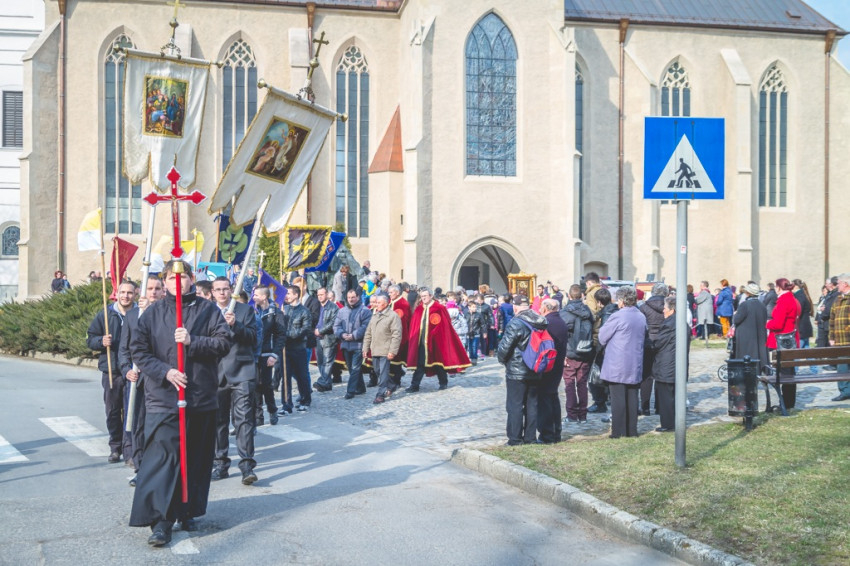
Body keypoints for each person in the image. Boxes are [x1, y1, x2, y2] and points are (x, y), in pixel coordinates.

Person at [128, 260, 231, 546]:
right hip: (163, 398)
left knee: (195, 459)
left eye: (182, 276)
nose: (177, 282)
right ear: (165, 282)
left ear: (191, 279)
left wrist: (192, 340)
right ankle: (161, 521)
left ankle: (187, 510)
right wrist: (166, 372)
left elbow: (223, 342)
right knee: (163, 459)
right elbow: (139, 351)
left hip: (200, 397)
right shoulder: (152, 314)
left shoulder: (208, 310)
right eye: (171, 278)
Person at [210, 277, 259, 485]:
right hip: (216, 374)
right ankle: (220, 464)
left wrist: (235, 325)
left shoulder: (245, 310)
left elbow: (253, 337)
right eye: (218, 289)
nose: (222, 293)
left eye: (225, 289)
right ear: (212, 292)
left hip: (241, 371)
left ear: (231, 290)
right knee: (218, 421)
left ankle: (247, 466)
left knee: (244, 420)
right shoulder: (207, 311)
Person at [119, 277, 165, 485]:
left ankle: (159, 466)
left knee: (159, 425)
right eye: (150, 288)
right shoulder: (132, 315)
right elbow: (124, 348)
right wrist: (126, 369)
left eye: (157, 288)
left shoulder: (167, 313)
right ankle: (140, 467)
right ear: (142, 291)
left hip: (160, 378)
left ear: (163, 291)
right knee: (138, 423)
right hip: (138, 379)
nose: (153, 292)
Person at [87, 280, 136, 463]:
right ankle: (115, 447)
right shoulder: (106, 315)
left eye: (129, 293)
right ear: (117, 294)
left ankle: (130, 450)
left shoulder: (139, 314)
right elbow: (90, 338)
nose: (125, 296)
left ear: (135, 294)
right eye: (122, 292)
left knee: (131, 412)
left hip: (132, 370)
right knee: (113, 411)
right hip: (112, 370)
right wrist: (101, 341)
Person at [497, 294, 547, 445]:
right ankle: (530, 438)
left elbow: (505, 348)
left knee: (515, 405)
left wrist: (503, 360)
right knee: (532, 404)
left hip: (517, 369)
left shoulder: (515, 323)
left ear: (515, 307)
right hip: (535, 367)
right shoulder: (540, 321)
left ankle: (515, 438)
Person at [598, 286, 646, 439]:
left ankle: (618, 431)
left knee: (618, 397)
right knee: (632, 396)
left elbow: (602, 336)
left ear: (621, 301)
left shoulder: (618, 316)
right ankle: (631, 430)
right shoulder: (641, 316)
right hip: (635, 360)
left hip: (617, 362)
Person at [405, 287, 471, 392]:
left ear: (431, 296)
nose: (423, 298)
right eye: (422, 296)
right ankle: (414, 385)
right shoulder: (419, 309)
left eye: (425, 296)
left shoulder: (439, 308)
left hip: (437, 342)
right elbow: (414, 326)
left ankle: (443, 383)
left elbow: (446, 326)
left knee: (439, 364)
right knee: (420, 364)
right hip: (422, 343)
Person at [560, 284, 596, 424]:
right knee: (582, 384)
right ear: (581, 296)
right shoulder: (587, 311)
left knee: (569, 384)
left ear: (569, 296)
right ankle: (583, 415)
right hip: (585, 350)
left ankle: (572, 415)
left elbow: (560, 335)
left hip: (570, 352)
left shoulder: (565, 312)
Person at [766, 277, 801, 410]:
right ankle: (789, 402)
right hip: (789, 340)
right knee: (789, 373)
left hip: (781, 341)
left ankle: (786, 403)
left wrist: (767, 323)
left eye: (776, 286)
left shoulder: (783, 300)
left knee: (786, 374)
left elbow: (778, 324)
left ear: (779, 287)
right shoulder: (792, 299)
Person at [362, 293, 403, 404]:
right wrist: (365, 348)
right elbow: (368, 333)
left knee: (383, 373)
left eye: (379, 303)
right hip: (375, 349)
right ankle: (392, 385)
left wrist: (392, 351)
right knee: (377, 371)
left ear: (385, 304)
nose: (376, 304)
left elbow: (396, 335)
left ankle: (380, 394)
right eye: (376, 302)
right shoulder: (375, 316)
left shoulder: (393, 316)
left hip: (386, 349)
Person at [253, 286, 286, 424]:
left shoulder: (276, 313)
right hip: (253, 354)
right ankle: (258, 416)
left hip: (267, 353)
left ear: (264, 297)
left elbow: (281, 335)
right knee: (255, 384)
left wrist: (274, 355)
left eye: (256, 295)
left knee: (266, 384)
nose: (253, 297)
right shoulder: (252, 311)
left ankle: (272, 410)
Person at [538, 298, 568, 443]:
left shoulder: (547, 323)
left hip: (548, 365)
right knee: (553, 397)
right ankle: (556, 432)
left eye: (541, 307)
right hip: (557, 365)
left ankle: (547, 434)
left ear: (545, 308)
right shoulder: (560, 321)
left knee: (545, 400)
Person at [334, 288, 372, 399]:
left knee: (355, 368)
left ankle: (350, 391)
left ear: (358, 297)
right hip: (345, 344)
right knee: (352, 369)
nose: (351, 299)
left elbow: (365, 327)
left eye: (353, 297)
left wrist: (354, 335)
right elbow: (336, 326)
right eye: (349, 297)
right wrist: (342, 334)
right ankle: (361, 387)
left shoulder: (365, 311)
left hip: (358, 344)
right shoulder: (342, 311)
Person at [649, 296, 679, 432]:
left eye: (665, 308)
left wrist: (649, 343)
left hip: (667, 365)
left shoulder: (669, 324)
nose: (663, 311)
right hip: (675, 364)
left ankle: (668, 424)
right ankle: (673, 422)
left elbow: (658, 343)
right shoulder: (680, 322)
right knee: (672, 396)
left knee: (666, 397)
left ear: (671, 310)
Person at [281, 285, 312, 412]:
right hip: (285, 349)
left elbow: (305, 330)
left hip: (299, 348)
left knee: (301, 376)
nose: (286, 296)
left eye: (288, 293)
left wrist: (287, 335)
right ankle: (286, 404)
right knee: (285, 377)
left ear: (296, 295)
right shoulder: (284, 309)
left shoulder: (304, 311)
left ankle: (305, 399)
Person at [639, 282, 668, 416]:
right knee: (661, 374)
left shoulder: (644, 307)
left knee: (646, 375)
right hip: (663, 342)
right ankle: (660, 406)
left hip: (648, 342)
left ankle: (645, 407)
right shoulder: (668, 307)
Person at [588, 288, 616, 414]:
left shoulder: (606, 314)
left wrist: (597, 350)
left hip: (604, 351)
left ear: (599, 302)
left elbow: (603, 336)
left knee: (596, 378)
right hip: (613, 351)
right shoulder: (614, 310)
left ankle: (600, 403)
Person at [732, 282, 769, 372]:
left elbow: (737, 320)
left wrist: (735, 314)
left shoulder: (745, 305)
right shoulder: (762, 305)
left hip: (746, 335)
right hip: (759, 334)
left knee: (746, 355)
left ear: (748, 293)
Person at [313, 287, 340, 392]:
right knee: (320, 362)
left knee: (327, 362)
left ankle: (322, 381)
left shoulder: (334, 307)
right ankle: (327, 384)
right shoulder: (316, 306)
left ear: (327, 294)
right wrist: (314, 330)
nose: (320, 297)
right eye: (318, 295)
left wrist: (320, 330)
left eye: (322, 294)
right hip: (317, 338)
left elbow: (333, 322)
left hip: (329, 338)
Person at [828, 273, 850, 401]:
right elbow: (832, 319)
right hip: (839, 340)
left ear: (846, 284)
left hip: (848, 338)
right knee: (842, 367)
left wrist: (846, 329)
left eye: (839, 283)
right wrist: (831, 337)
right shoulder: (837, 299)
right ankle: (845, 392)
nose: (837, 286)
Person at [387, 284, 410, 387]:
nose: (389, 294)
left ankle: (396, 380)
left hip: (399, 336)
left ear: (397, 292)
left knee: (396, 359)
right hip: (388, 336)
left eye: (391, 292)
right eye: (389, 292)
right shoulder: (390, 302)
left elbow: (404, 322)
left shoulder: (403, 304)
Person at [792, 279, 814, 349]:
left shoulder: (799, 296)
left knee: (798, 351)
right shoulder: (802, 295)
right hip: (804, 327)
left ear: (796, 286)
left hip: (801, 327)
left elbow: (798, 311)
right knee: (806, 350)